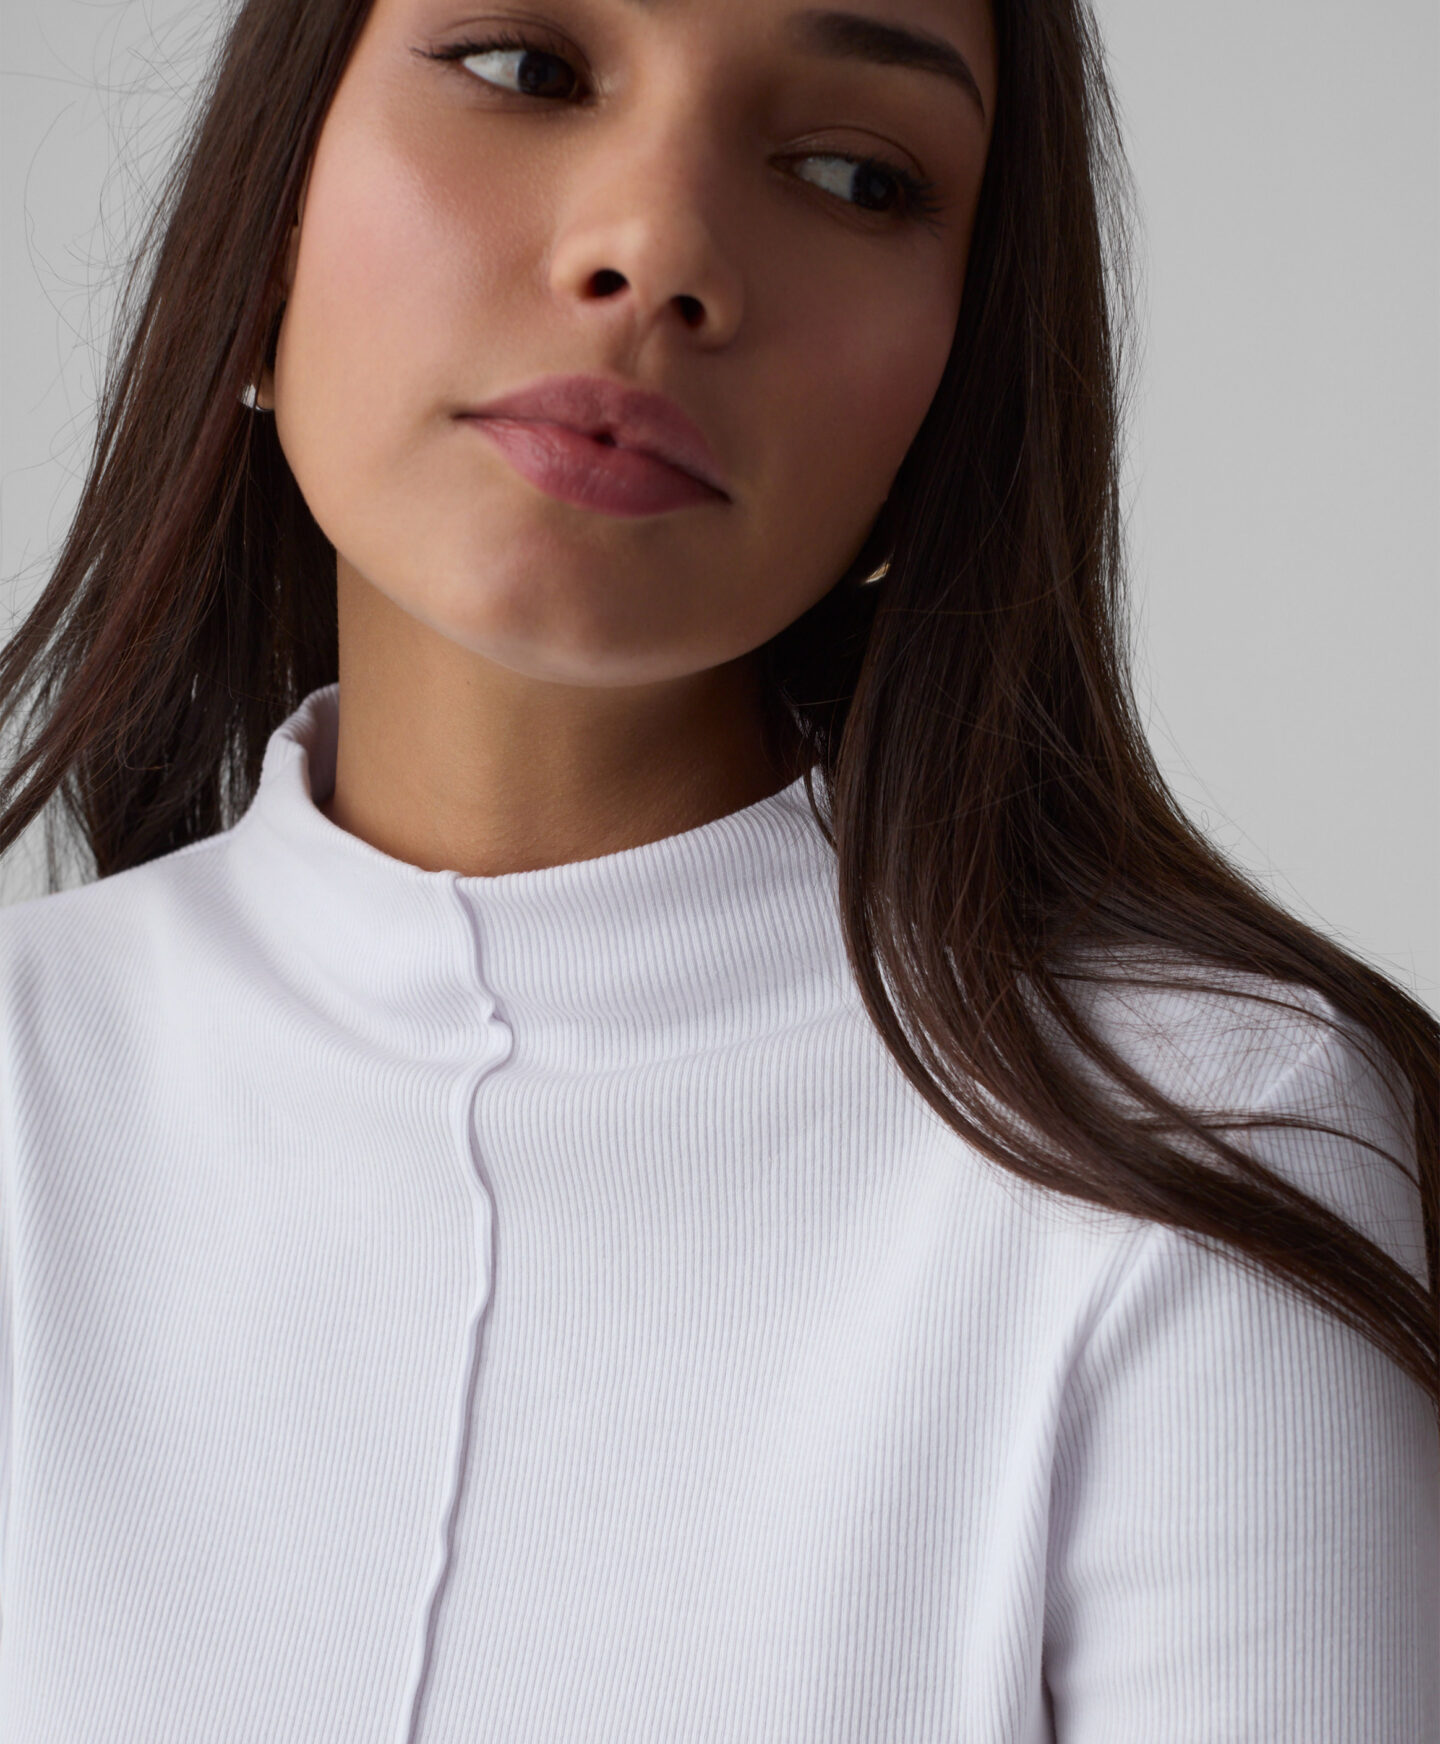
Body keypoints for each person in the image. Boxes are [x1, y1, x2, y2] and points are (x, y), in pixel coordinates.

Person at [0, 0, 1433, 1739]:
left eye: (855, 174)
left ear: (960, 379)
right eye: (526, 70)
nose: (658, 251)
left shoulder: (1199, 1142)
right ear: (267, 215)